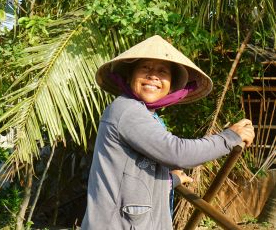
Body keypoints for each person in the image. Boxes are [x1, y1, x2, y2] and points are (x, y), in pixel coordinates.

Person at [81, 35, 255, 230]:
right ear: (130, 76)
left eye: (162, 72)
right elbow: (177, 153)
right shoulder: (127, 110)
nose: (153, 76)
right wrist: (229, 138)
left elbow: (129, 175)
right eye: (145, 68)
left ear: (171, 85)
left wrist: (172, 180)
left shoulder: (145, 114)